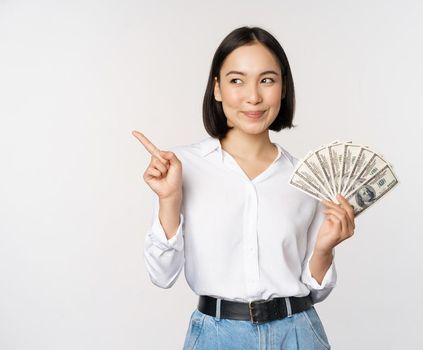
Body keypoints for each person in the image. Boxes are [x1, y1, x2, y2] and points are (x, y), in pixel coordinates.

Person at [132, 26, 356, 350]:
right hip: (216, 337)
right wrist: (170, 199)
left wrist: (324, 248)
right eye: (237, 80)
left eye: (267, 80)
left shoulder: (305, 177)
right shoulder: (182, 167)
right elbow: (161, 275)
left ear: (283, 89)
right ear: (217, 89)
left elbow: (316, 291)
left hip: (298, 335)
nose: (253, 96)